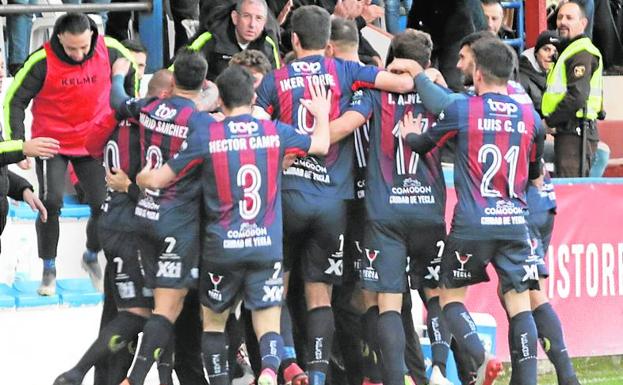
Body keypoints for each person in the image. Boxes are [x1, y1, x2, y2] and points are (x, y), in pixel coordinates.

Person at [137, 64, 331, 385]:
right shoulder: (274, 132)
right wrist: (321, 113)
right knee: (267, 321)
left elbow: (159, 179)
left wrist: (143, 176)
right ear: (253, 97)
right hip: (265, 245)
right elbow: (321, 145)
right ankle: (269, 370)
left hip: (222, 247)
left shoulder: (208, 134)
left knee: (214, 323)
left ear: (220, 102)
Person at [254, 5, 418, 385]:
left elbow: (255, 126)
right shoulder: (345, 70)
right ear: (328, 43)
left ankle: (280, 363)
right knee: (320, 296)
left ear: (293, 40)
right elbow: (403, 86)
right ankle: (316, 375)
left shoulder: (273, 80)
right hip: (333, 202)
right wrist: (412, 71)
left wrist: (290, 148)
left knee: (277, 287)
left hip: (288, 196)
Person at [397, 37, 544, 385]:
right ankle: (527, 380)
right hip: (515, 222)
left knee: (449, 297)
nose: (461, 67)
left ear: (478, 73)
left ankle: (480, 357)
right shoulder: (530, 115)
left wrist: (408, 136)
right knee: (519, 302)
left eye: (466, 63)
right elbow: (535, 173)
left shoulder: (463, 109)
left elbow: (424, 144)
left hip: (473, 222)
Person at [329, 28, 450, 385]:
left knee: (386, 304)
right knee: (436, 294)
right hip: (428, 208)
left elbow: (343, 128)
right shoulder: (440, 96)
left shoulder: (374, 93)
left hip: (384, 210)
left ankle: (395, 380)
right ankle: (442, 370)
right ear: (427, 63)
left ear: (390, 58)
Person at [52, 70, 175, 385]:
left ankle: (96, 377)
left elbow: (91, 147)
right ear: (164, 96)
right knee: (142, 313)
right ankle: (77, 373)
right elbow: (153, 187)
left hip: (113, 223)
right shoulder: (152, 129)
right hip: (133, 227)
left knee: (129, 311)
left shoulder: (115, 119)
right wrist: (133, 187)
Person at [2, 12, 138, 296]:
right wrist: (19, 144)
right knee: (50, 201)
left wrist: (124, 125)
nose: (78, 54)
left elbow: (131, 81)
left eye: (83, 47)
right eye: (71, 48)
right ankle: (48, 268)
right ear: (59, 39)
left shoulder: (111, 50)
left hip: (93, 140)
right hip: (52, 142)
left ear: (92, 36)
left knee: (104, 204)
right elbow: (14, 99)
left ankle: (90, 255)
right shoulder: (41, 60)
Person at [109, 48, 214, 385]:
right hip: (177, 222)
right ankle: (134, 379)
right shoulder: (200, 121)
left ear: (173, 78)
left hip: (143, 215)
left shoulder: (150, 106)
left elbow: (118, 100)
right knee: (168, 309)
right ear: (203, 81)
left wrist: (117, 74)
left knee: (159, 307)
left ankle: (149, 378)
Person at [542, 0, 604, 177]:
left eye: (569, 18)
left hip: (576, 132)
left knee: (570, 188)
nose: (562, 22)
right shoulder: (570, 50)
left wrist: (549, 121)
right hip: (570, 130)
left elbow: (576, 96)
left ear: (583, 23)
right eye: (560, 17)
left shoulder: (581, 52)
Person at [189, 0, 281, 80]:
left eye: (258, 18)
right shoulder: (210, 39)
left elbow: (277, 83)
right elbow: (178, 69)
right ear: (235, 18)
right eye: (246, 16)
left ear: (264, 22)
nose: (252, 24)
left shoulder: (268, 44)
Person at [519, 30, 560, 117]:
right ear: (536, 52)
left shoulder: (558, 76)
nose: (551, 55)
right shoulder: (522, 78)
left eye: (555, 51)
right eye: (546, 49)